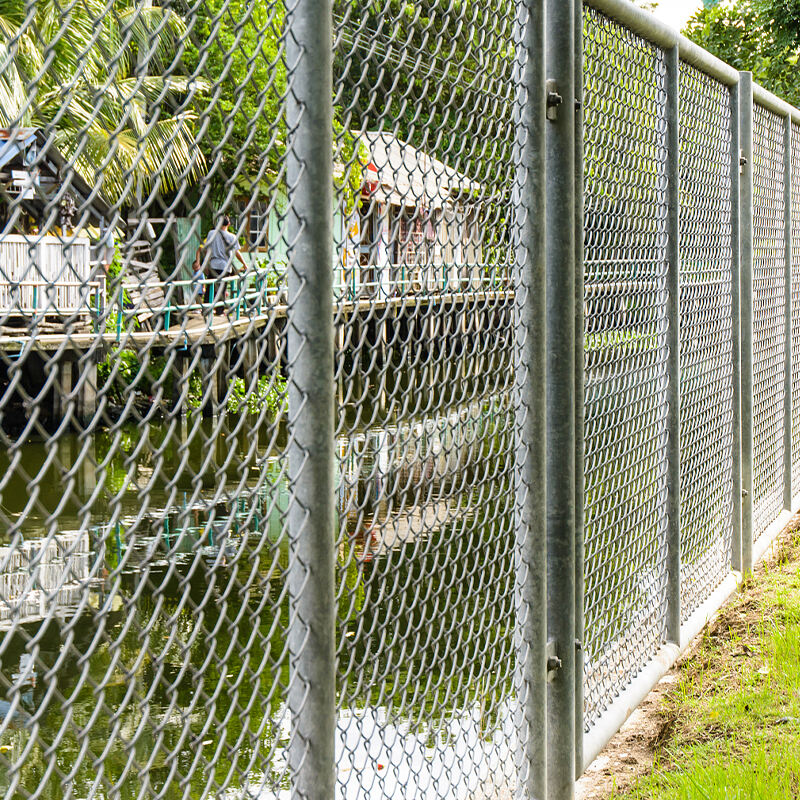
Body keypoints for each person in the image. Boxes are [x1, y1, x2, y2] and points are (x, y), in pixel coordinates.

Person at [194, 215, 247, 310]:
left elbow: (206, 249)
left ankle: (206, 309)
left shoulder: (211, 233)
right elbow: (236, 252)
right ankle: (219, 311)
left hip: (213, 264)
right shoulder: (232, 237)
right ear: (229, 224)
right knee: (222, 289)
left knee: (210, 288)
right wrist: (244, 263)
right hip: (225, 266)